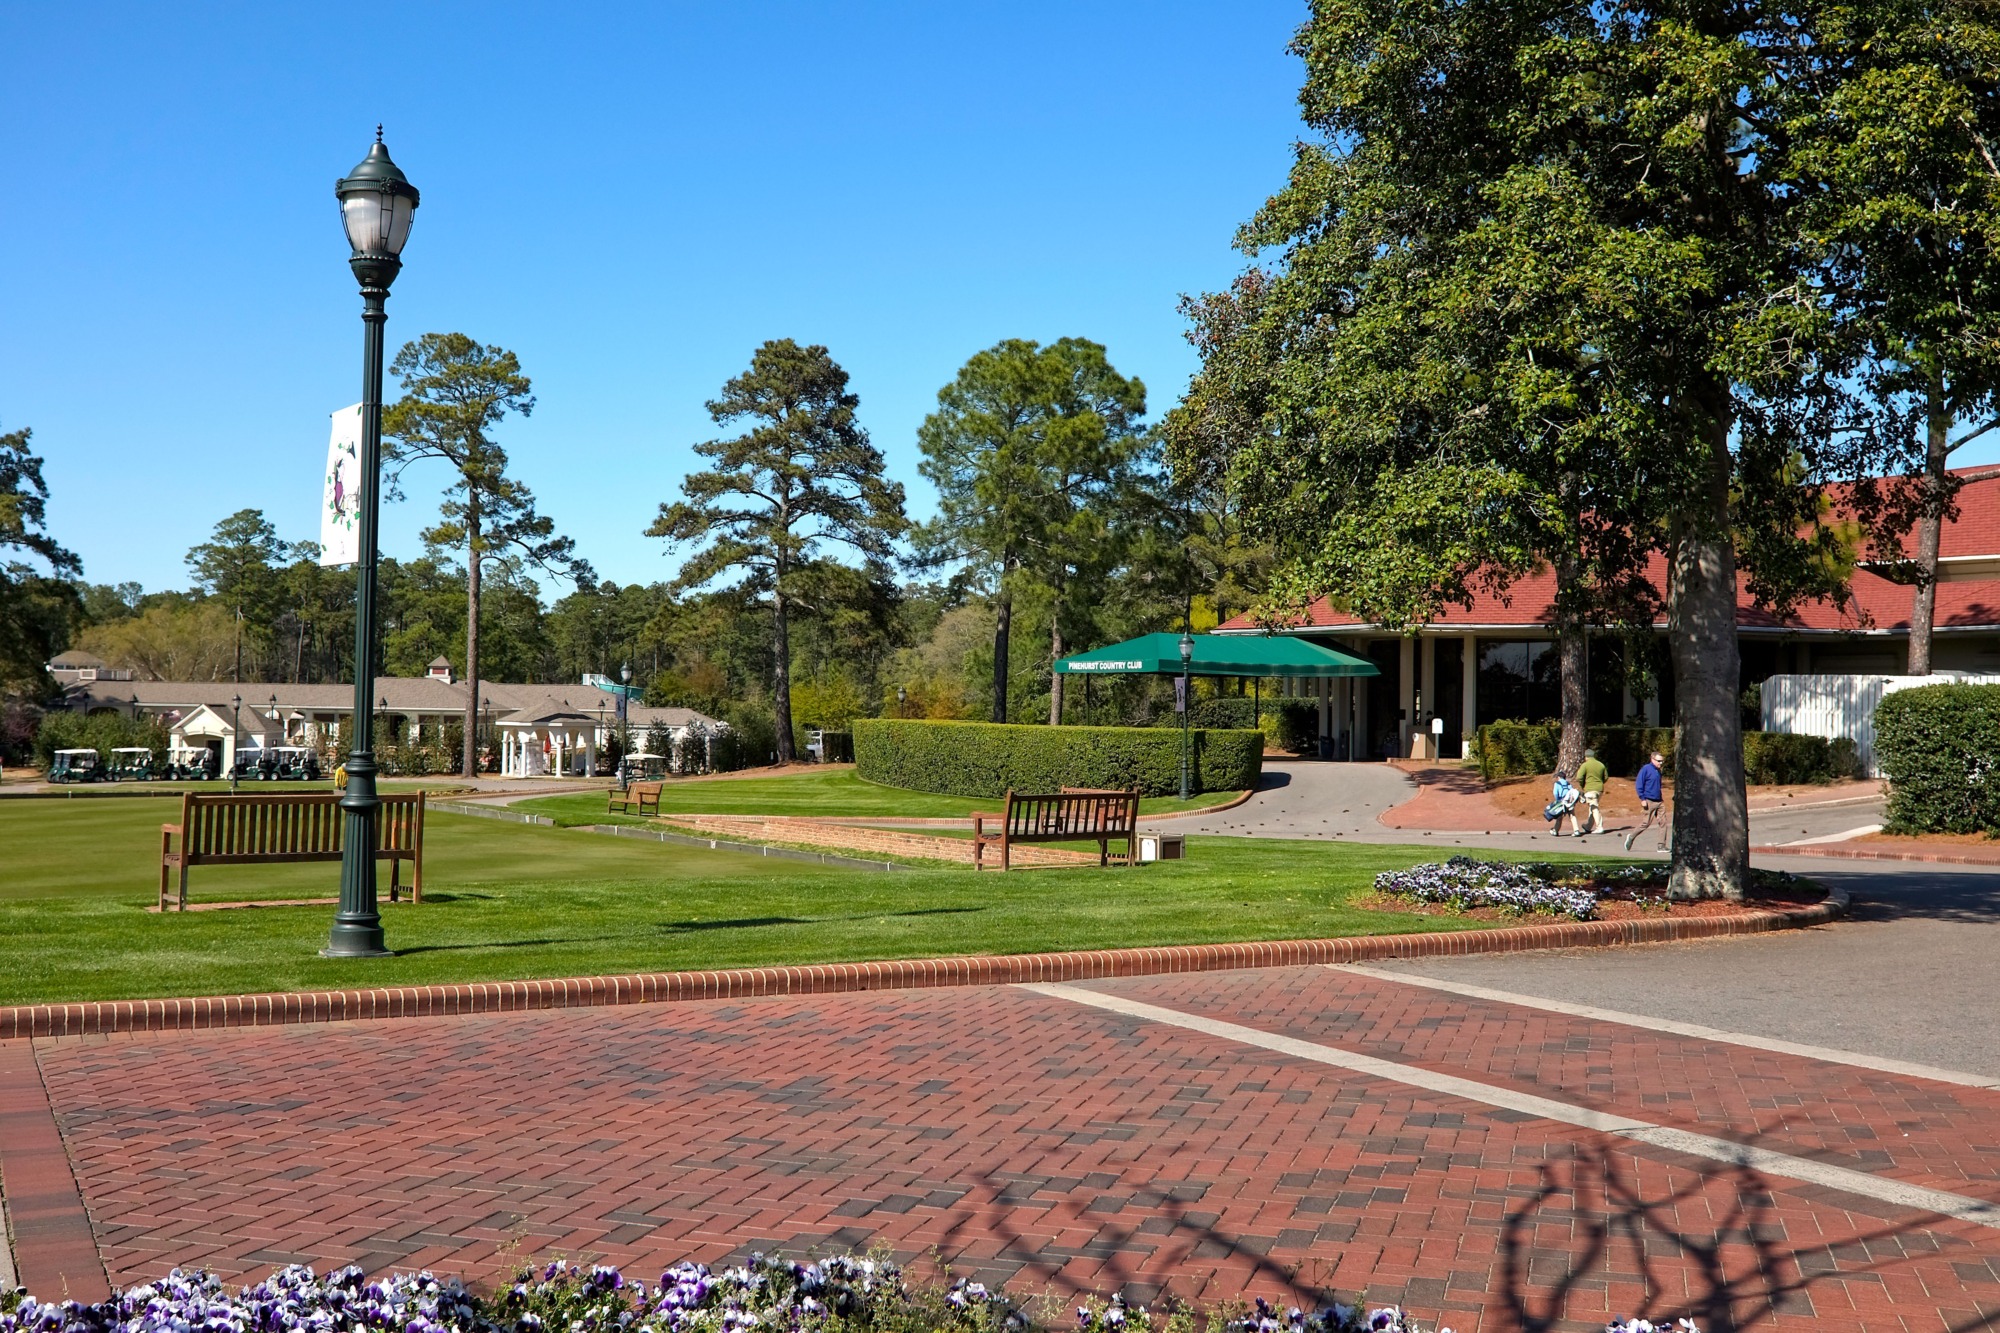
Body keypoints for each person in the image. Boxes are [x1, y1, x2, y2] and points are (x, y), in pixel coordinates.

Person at [1626, 750, 1667, 851]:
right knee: (1646, 823)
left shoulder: (1658, 771)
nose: (1660, 763)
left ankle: (1661, 846)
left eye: (1662, 761)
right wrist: (1642, 798)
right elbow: (1639, 784)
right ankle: (1631, 837)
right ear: (1652, 759)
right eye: (1658, 761)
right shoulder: (1646, 769)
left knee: (1663, 822)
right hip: (1649, 800)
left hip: (1659, 800)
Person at [1576, 747, 1609, 836]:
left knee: (1594, 807)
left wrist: (1583, 785)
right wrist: (1600, 783)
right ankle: (1588, 826)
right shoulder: (1601, 764)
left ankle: (1599, 827)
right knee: (1592, 806)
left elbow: (1579, 777)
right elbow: (1606, 777)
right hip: (1600, 789)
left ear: (1586, 757)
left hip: (1590, 789)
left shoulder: (1585, 765)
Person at [1545, 768, 1581, 836]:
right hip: (1570, 802)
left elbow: (1555, 793)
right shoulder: (1568, 783)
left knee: (1559, 817)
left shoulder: (1557, 783)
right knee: (1572, 816)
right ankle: (1576, 830)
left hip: (1561, 802)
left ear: (1559, 777)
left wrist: (1557, 800)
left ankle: (1555, 831)